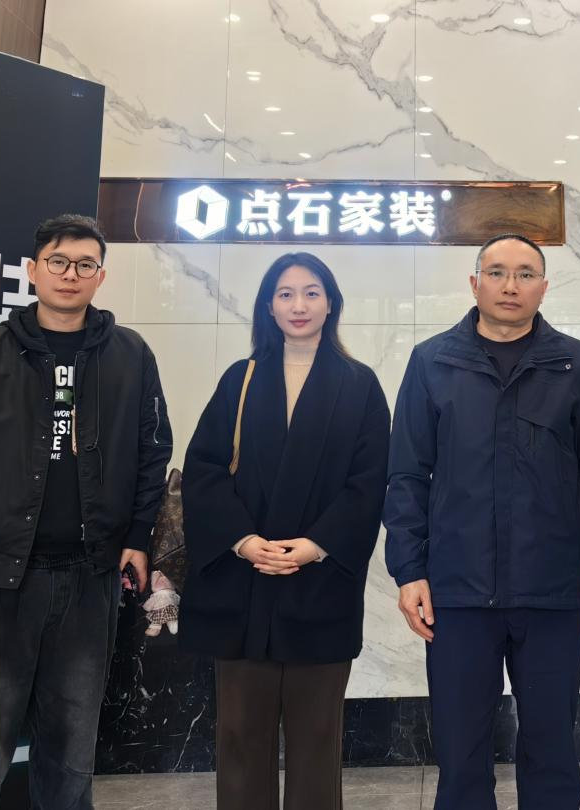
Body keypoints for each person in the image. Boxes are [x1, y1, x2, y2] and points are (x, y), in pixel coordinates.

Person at [384, 233, 580, 810]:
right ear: (475, 283)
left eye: (525, 274)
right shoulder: (433, 361)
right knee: (461, 751)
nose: (510, 285)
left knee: (551, 746)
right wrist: (409, 571)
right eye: (496, 272)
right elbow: (407, 476)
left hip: (552, 589)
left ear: (544, 287)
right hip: (457, 592)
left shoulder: (575, 364)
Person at [0, 214, 172, 809]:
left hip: (89, 578)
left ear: (101, 276)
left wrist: (137, 536)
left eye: (85, 264)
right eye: (58, 262)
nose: (71, 274)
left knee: (70, 752)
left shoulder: (130, 356)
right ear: (33, 270)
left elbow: (153, 452)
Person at [180, 252, 389, 810]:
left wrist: (316, 546)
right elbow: (203, 469)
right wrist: (244, 541)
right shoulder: (240, 379)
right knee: (239, 736)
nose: (299, 305)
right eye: (286, 293)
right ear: (268, 307)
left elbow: (370, 481)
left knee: (317, 737)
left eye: (312, 292)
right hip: (243, 582)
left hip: (320, 583)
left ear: (331, 303)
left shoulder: (359, 385)